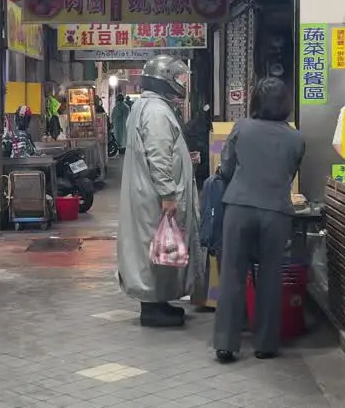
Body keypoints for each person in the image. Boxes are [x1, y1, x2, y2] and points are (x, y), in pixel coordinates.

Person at [213, 77, 307, 362]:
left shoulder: (241, 127)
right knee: (269, 277)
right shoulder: (296, 137)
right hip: (276, 211)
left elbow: (226, 166)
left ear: (255, 101)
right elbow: (289, 174)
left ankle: (226, 344)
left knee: (232, 275)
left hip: (239, 207)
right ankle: (266, 344)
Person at [117, 55, 203, 328]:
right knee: (157, 248)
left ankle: (158, 301)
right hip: (155, 195)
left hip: (146, 192)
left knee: (153, 248)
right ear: (164, 80)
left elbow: (164, 150)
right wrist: (168, 194)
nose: (181, 83)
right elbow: (158, 155)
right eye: (177, 78)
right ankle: (153, 308)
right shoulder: (156, 111)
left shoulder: (148, 107)